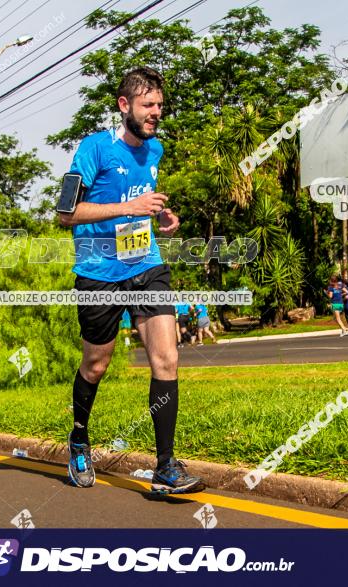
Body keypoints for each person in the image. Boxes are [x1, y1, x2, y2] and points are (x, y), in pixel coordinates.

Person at [56, 67, 204, 495]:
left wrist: (160, 215)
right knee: (96, 364)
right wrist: (130, 207)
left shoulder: (154, 150)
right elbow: (66, 213)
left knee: (166, 360)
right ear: (124, 106)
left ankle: (165, 467)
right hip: (99, 273)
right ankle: (79, 440)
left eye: (159, 104)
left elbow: (141, 203)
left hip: (146, 264)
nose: (156, 112)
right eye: (148, 105)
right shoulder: (93, 149)